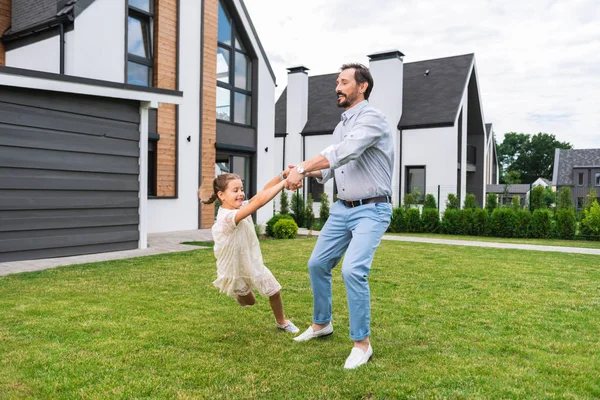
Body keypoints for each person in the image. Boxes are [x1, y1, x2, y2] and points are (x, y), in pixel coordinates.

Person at [285, 63, 394, 369]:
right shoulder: (341, 125)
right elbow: (331, 168)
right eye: (337, 82)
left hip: (372, 209)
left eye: (344, 82)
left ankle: (362, 343)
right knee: (317, 264)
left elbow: (344, 152)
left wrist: (302, 168)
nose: (337, 87)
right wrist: (301, 171)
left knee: (352, 271)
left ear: (363, 87)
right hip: (342, 209)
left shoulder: (373, 119)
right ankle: (322, 324)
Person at [199, 172, 299, 334]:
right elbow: (259, 202)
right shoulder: (228, 217)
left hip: (251, 263)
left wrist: (281, 176)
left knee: (274, 291)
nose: (241, 194)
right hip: (233, 269)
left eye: (242, 189)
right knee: (249, 301)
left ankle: (282, 322)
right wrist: (285, 183)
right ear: (221, 195)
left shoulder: (239, 207)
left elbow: (261, 194)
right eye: (235, 190)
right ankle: (238, 294)